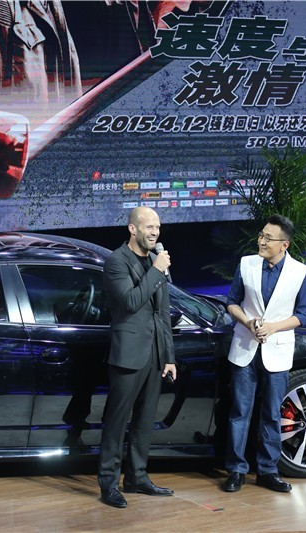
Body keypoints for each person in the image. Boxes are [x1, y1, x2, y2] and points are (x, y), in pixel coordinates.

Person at [221, 214, 306, 493]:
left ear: (284, 244)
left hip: (278, 350)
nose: (261, 241)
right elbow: (232, 302)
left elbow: (303, 315)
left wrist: (273, 327)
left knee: (272, 414)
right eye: (261, 235)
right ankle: (236, 470)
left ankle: (268, 471)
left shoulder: (300, 272)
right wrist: (248, 322)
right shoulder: (246, 264)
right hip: (245, 347)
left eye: (268, 238)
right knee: (240, 412)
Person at [97, 206, 177, 508]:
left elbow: (162, 312)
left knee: (144, 421)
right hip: (128, 353)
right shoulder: (116, 261)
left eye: (157, 227)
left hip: (154, 354)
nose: (155, 232)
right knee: (117, 422)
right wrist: (156, 270)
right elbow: (131, 302)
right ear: (133, 229)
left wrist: (169, 356)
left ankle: (137, 477)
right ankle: (108, 483)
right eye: (149, 227)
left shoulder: (156, 261)